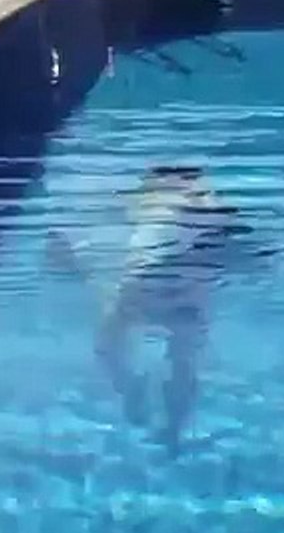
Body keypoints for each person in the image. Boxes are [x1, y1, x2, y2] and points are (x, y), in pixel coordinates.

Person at [48, 165, 269, 455]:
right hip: (186, 291)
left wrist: (67, 255)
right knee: (184, 361)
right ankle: (173, 432)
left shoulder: (149, 199)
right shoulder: (207, 200)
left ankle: (131, 390)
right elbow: (243, 242)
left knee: (108, 345)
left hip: (147, 283)